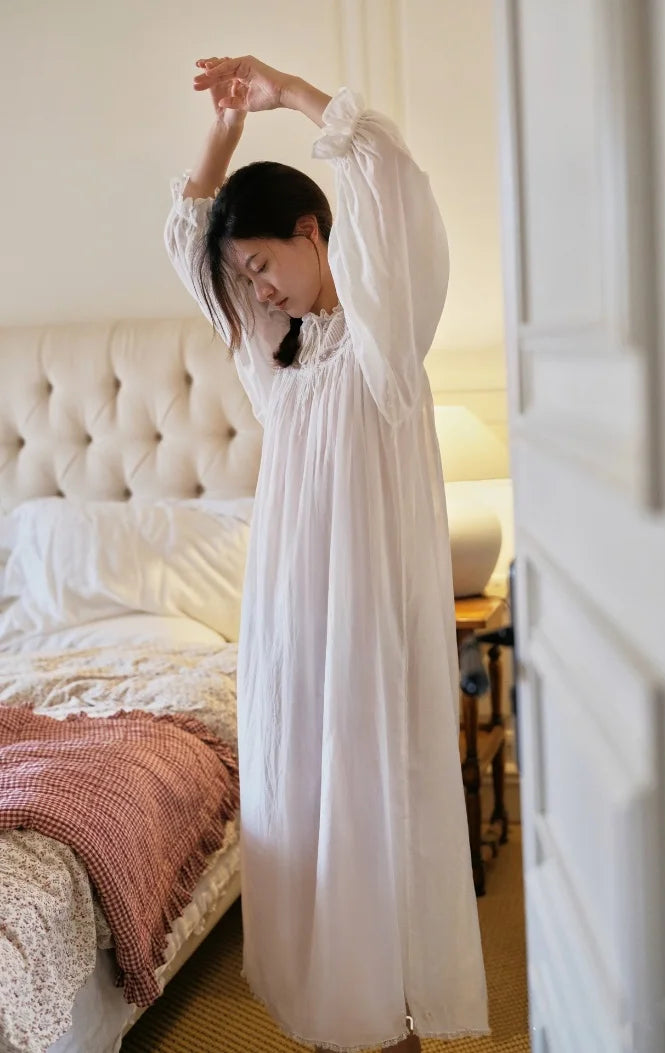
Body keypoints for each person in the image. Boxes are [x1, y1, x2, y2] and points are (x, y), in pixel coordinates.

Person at [164, 54, 490, 1053]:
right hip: (290, 625)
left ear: (312, 231)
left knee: (367, 807)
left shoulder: (386, 341)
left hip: (364, 620)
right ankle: (337, 1019)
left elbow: (387, 174)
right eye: (246, 279)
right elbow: (190, 243)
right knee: (304, 810)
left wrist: (287, 93)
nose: (256, 287)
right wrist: (222, 133)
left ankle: (386, 1020)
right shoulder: (280, 359)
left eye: (263, 263)